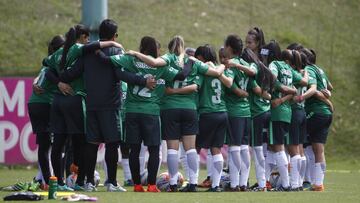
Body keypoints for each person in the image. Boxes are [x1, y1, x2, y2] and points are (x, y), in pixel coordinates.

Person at [59, 19, 154, 192]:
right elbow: (122, 74)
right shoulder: (116, 50)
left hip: (92, 105)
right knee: (112, 144)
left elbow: (70, 74)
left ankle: (88, 182)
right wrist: (143, 80)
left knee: (92, 144)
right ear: (115, 35)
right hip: (111, 106)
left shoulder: (88, 52)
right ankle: (111, 182)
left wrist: (58, 79)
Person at [127, 36, 224, 192]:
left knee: (172, 149)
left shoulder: (168, 58)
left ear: (170, 47)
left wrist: (135, 53)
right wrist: (223, 66)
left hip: (170, 108)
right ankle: (192, 183)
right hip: (190, 109)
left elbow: (153, 62)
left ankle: (172, 184)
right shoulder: (193, 61)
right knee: (190, 148)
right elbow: (215, 72)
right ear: (184, 47)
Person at [99, 36, 192, 192]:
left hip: (132, 112)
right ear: (156, 49)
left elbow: (106, 61)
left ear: (141, 47)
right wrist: (191, 61)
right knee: (154, 149)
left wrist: (94, 48)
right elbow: (181, 75)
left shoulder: (131, 60)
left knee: (134, 150)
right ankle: (151, 185)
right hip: (151, 113)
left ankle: (136, 185)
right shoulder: (160, 66)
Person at [45, 24, 123, 191]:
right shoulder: (81, 49)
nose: (88, 40)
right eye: (86, 37)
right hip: (80, 100)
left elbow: (47, 67)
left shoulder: (60, 53)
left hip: (59, 101)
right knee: (83, 142)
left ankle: (60, 182)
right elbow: (95, 47)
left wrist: (59, 82)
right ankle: (84, 182)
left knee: (60, 143)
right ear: (80, 38)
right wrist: (114, 45)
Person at [28, 35, 65, 190]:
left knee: (45, 145)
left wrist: (34, 82)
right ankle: (50, 181)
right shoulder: (57, 63)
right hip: (45, 104)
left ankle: (44, 179)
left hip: (34, 103)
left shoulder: (48, 62)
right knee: (50, 145)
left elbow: (39, 76)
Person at [194, 44, 233, 192]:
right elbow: (228, 85)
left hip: (207, 113)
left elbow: (196, 89)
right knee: (216, 149)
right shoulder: (221, 70)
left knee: (194, 148)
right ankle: (215, 185)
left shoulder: (203, 71)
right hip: (222, 113)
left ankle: (191, 182)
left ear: (202, 58)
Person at [222, 35, 255, 191]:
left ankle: (235, 183)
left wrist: (235, 90)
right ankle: (242, 183)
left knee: (234, 147)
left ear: (229, 48)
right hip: (246, 111)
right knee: (243, 146)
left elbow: (228, 83)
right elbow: (254, 75)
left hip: (234, 111)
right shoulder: (246, 64)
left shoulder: (231, 65)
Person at [300, 48, 333, 192]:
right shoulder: (319, 70)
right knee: (318, 149)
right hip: (325, 114)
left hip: (315, 111)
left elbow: (313, 90)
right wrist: (328, 94)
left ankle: (298, 180)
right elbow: (329, 87)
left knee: (297, 140)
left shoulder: (308, 69)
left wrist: (301, 97)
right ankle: (318, 184)